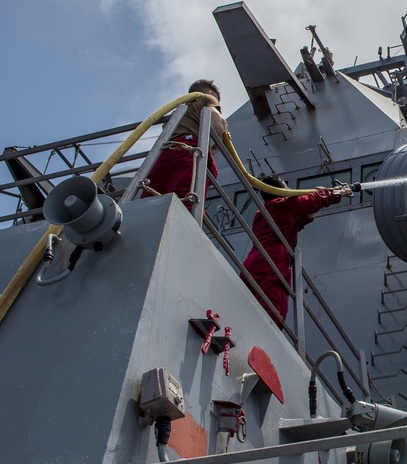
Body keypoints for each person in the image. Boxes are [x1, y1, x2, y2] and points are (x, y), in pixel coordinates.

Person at [243, 175, 352, 325]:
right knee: (273, 314)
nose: (290, 192)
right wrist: (337, 193)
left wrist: (309, 212)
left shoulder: (261, 213)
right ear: (278, 191)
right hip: (273, 262)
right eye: (286, 189)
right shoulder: (282, 204)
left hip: (252, 263)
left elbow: (289, 223)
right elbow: (310, 202)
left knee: (243, 306)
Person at [142, 79, 228, 211]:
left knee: (150, 201)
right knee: (185, 202)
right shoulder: (206, 98)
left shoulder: (178, 110)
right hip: (188, 153)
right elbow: (217, 126)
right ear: (210, 93)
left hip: (163, 155)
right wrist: (224, 132)